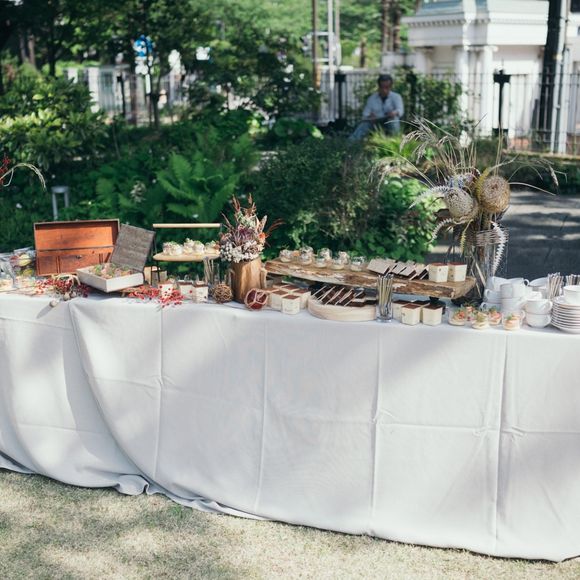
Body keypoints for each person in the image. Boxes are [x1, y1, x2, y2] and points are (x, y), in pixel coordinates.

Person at [350, 74, 404, 141]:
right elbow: (365, 114)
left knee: (394, 120)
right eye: (382, 87)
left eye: (387, 87)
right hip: (375, 123)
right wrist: (370, 116)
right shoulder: (372, 98)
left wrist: (394, 113)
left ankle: (396, 141)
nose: (384, 90)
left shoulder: (396, 97)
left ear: (391, 87)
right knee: (365, 124)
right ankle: (351, 142)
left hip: (389, 121)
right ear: (378, 86)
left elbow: (400, 110)